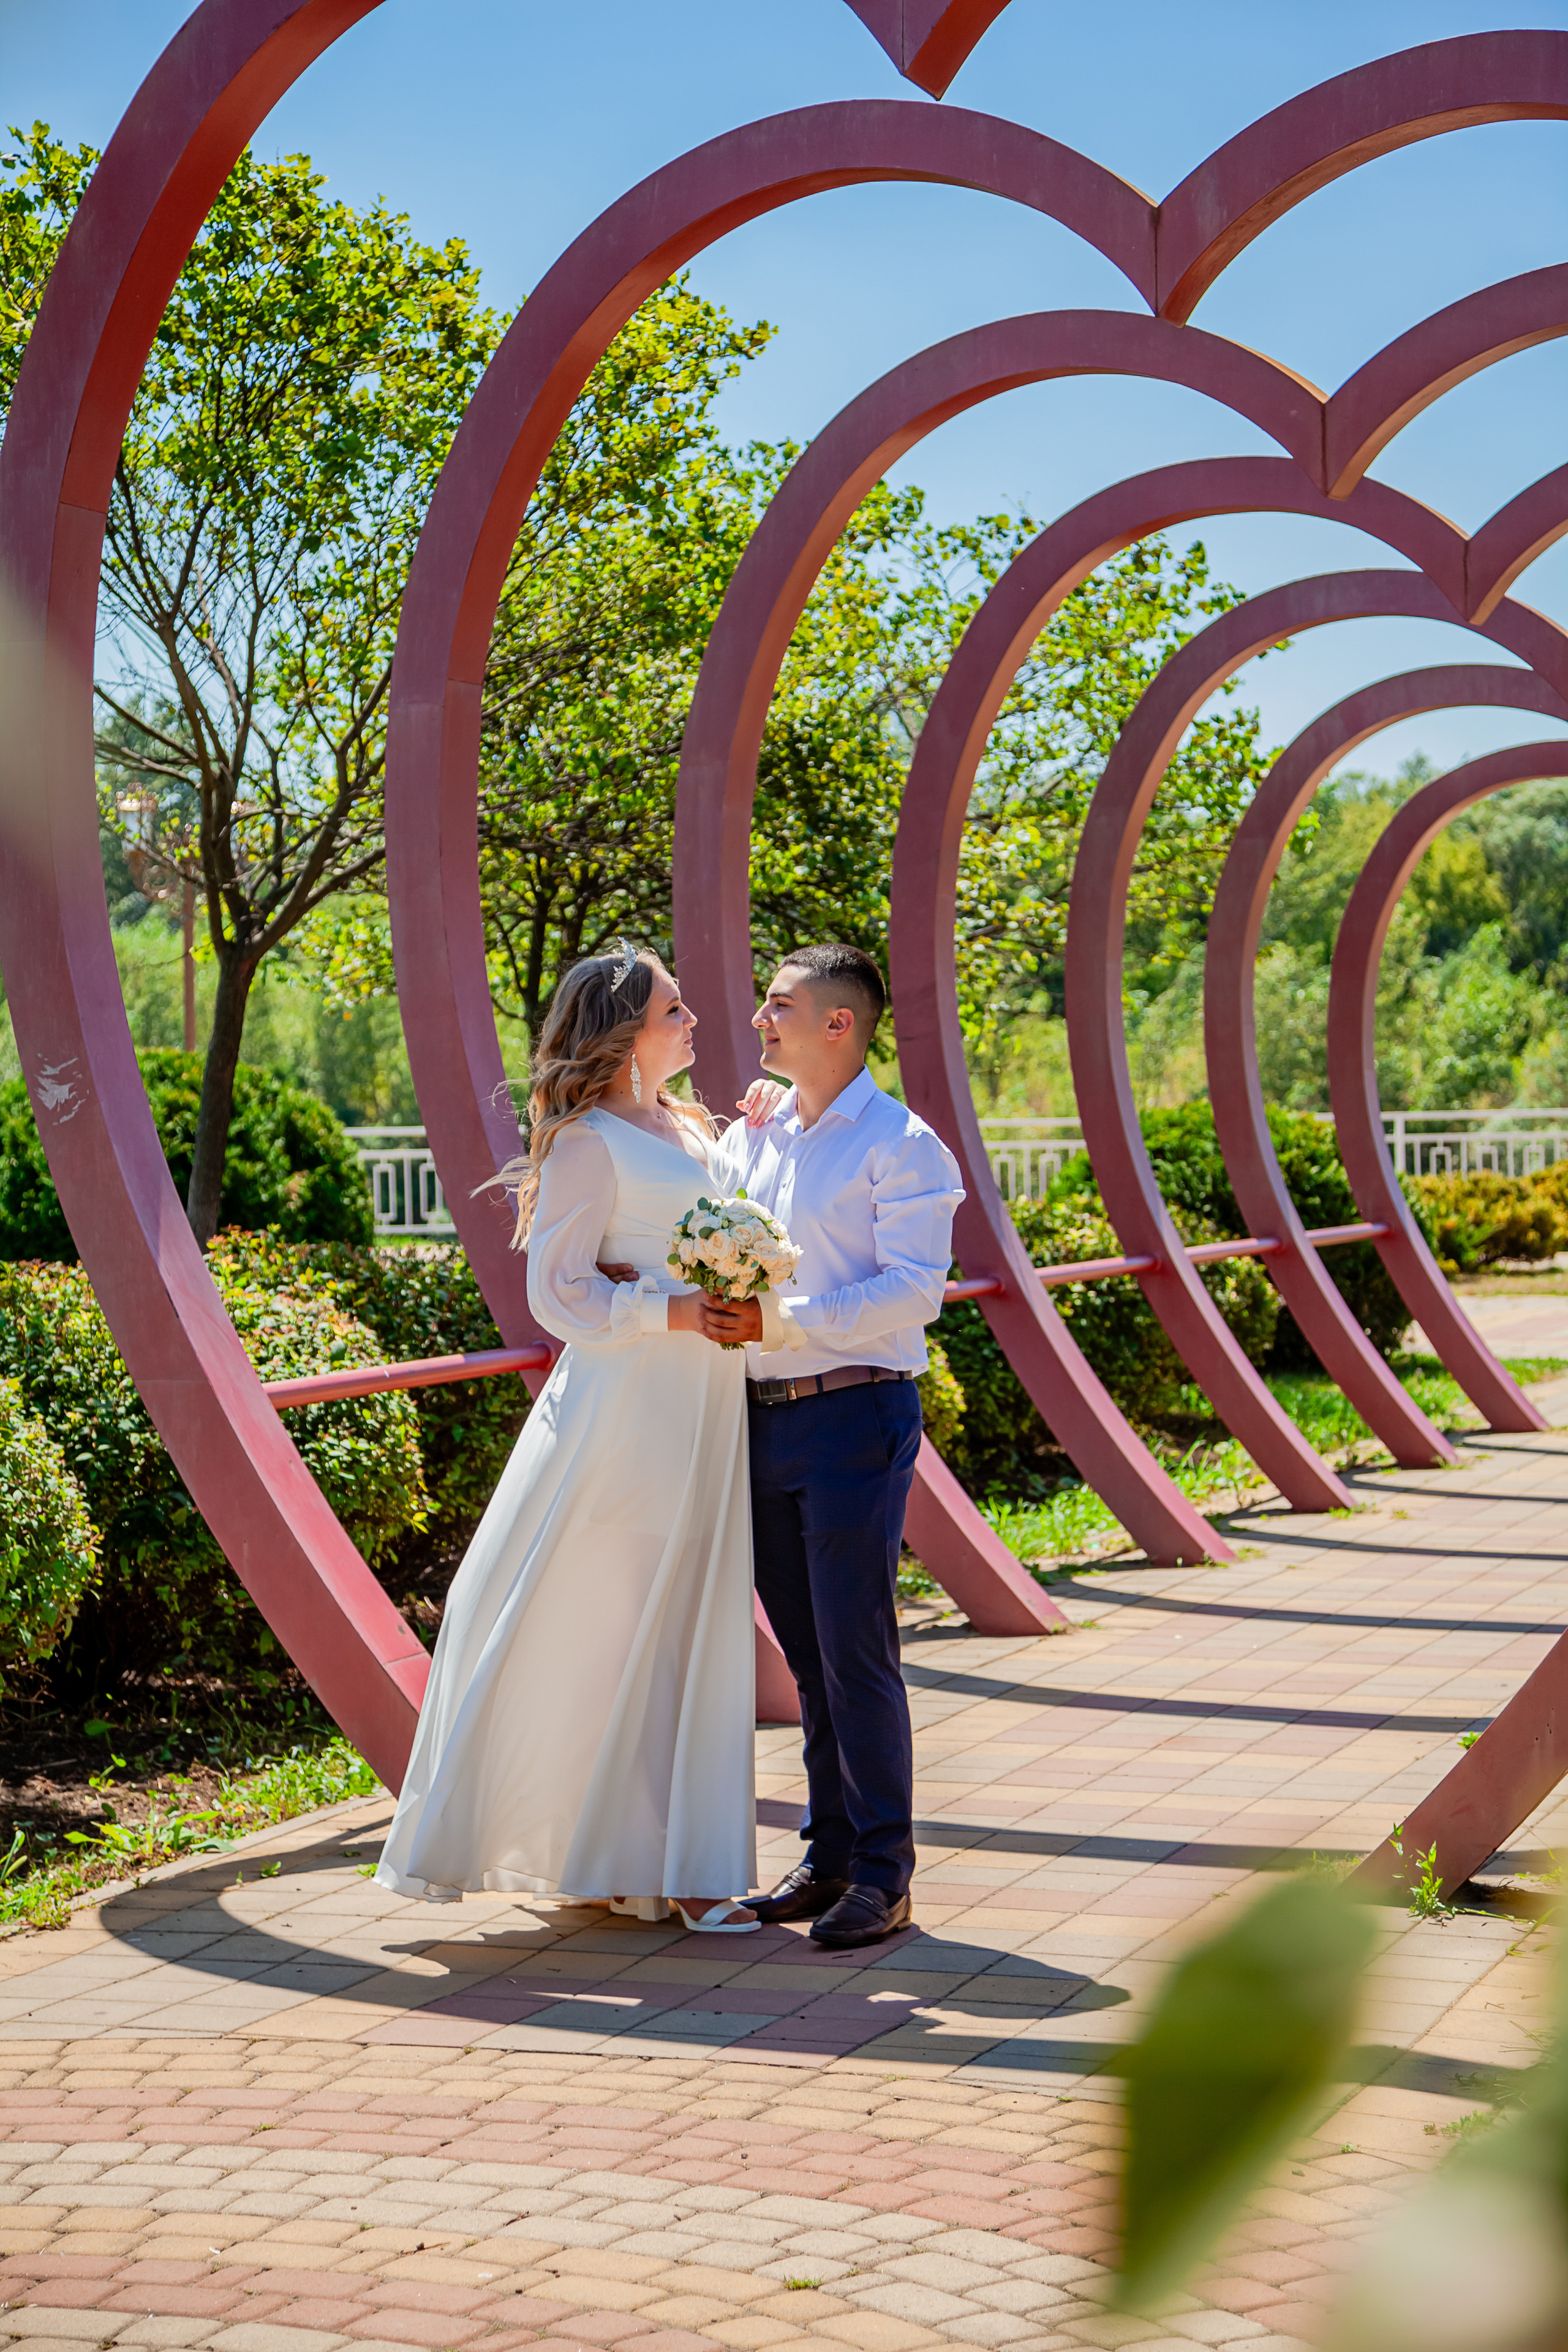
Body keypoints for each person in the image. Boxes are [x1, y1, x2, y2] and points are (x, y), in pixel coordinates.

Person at [375, 946, 765, 1932]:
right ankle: (676, 1866)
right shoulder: (590, 1142)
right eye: (675, 1010)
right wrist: (673, 1315)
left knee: (684, 1612)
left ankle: (624, 1855)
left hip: (703, 1406)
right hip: (628, 1413)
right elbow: (558, 1292)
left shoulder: (686, 1126)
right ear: (627, 1031)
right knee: (615, 1615)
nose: (692, 1023)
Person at [704, 943, 965, 1948]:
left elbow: (912, 1291)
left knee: (858, 1652)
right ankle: (830, 1857)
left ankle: (886, 1877)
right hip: (762, 1421)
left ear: (839, 1025)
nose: (761, 1022)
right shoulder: (762, 1136)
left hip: (857, 1415)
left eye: (779, 1007)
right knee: (810, 1658)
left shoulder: (903, 1145)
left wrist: (782, 1321)